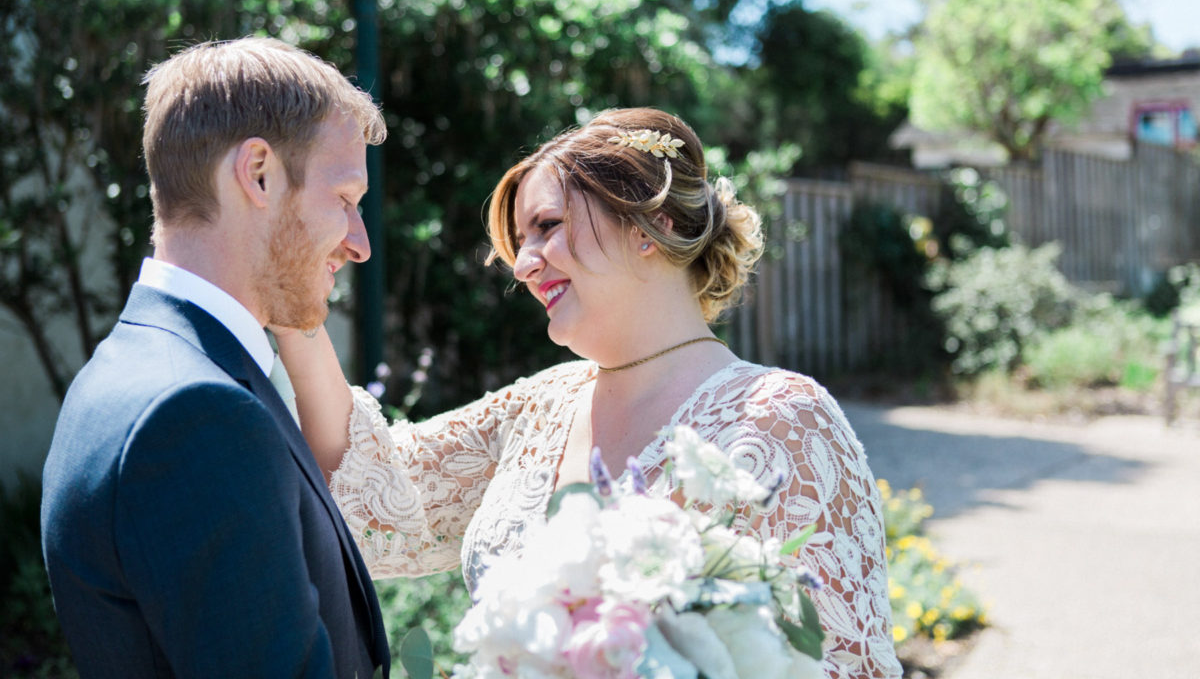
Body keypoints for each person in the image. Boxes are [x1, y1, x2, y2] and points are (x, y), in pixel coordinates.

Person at [279, 107, 901, 678]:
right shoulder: (539, 406)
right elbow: (375, 490)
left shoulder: (782, 420)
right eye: (521, 243)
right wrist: (291, 302)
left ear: (649, 225)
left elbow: (844, 662)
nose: (523, 265)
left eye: (546, 226)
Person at [41, 37, 391, 678]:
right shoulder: (196, 415)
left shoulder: (131, 369)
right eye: (345, 199)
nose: (360, 243)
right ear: (258, 172)